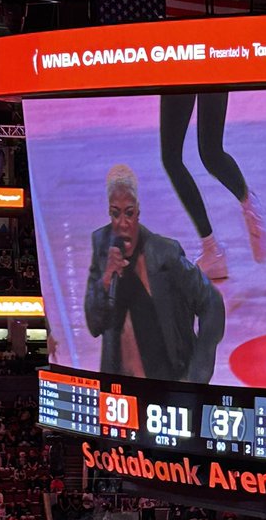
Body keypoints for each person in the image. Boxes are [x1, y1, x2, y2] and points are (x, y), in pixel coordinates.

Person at [84, 164, 225, 383]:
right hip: (120, 393)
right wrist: (105, 278)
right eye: (115, 213)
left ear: (138, 212)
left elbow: (212, 302)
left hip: (166, 386)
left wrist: (197, 376)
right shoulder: (102, 247)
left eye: (129, 213)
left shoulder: (164, 253)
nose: (122, 223)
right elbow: (94, 325)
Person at [159, 91, 266, 281]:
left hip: (180, 65)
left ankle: (212, 250)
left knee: (172, 158)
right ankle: (250, 204)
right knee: (211, 153)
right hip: (215, 64)